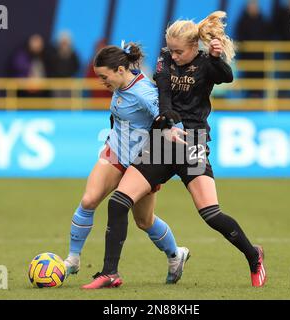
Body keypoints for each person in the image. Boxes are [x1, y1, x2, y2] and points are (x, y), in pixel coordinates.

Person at [83, 11, 266, 289]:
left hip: (192, 142)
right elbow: (164, 93)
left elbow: (227, 76)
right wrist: (169, 120)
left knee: (211, 214)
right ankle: (110, 273)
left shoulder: (206, 63)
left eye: (179, 51)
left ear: (195, 47)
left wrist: (216, 56)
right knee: (119, 201)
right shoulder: (166, 59)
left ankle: (253, 256)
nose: (174, 55)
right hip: (163, 140)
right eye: (171, 49)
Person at [64, 42, 189, 288]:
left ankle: (176, 254)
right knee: (89, 200)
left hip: (141, 163)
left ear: (121, 69)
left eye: (104, 77)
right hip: (114, 153)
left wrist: (173, 129)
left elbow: (165, 113)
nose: (102, 82)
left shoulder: (144, 92)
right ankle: (73, 259)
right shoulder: (122, 83)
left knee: (144, 221)